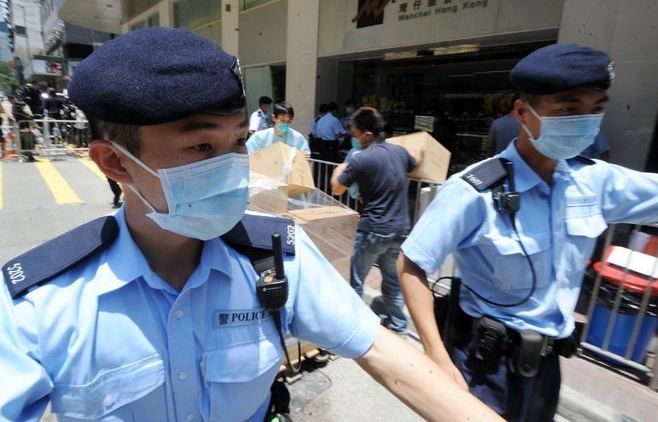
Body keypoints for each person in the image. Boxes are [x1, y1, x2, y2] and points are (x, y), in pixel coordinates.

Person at [0, 28, 502, 422]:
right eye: (201, 148)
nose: (233, 165)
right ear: (114, 162)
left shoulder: (276, 257)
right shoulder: (37, 303)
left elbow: (386, 356)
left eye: (239, 141)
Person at [397, 43, 658, 422]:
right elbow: (411, 264)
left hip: (546, 367)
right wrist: (437, 357)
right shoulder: (475, 190)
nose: (586, 122)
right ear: (523, 112)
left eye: (596, 109)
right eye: (569, 109)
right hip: (483, 365)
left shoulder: (593, 181)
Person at [331, 107, 421, 334]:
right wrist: (420, 149)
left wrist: (340, 167)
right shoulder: (399, 152)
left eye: (355, 133)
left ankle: (353, 325)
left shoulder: (362, 159)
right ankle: (398, 323)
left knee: (357, 277)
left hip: (373, 229)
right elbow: (416, 161)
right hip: (401, 228)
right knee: (392, 278)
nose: (353, 138)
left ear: (367, 134)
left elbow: (337, 188)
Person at [246, 101, 311, 157]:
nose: (285, 124)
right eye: (282, 120)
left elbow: (305, 154)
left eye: (288, 121)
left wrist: (303, 156)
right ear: (274, 118)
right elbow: (248, 153)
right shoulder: (259, 137)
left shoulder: (297, 138)